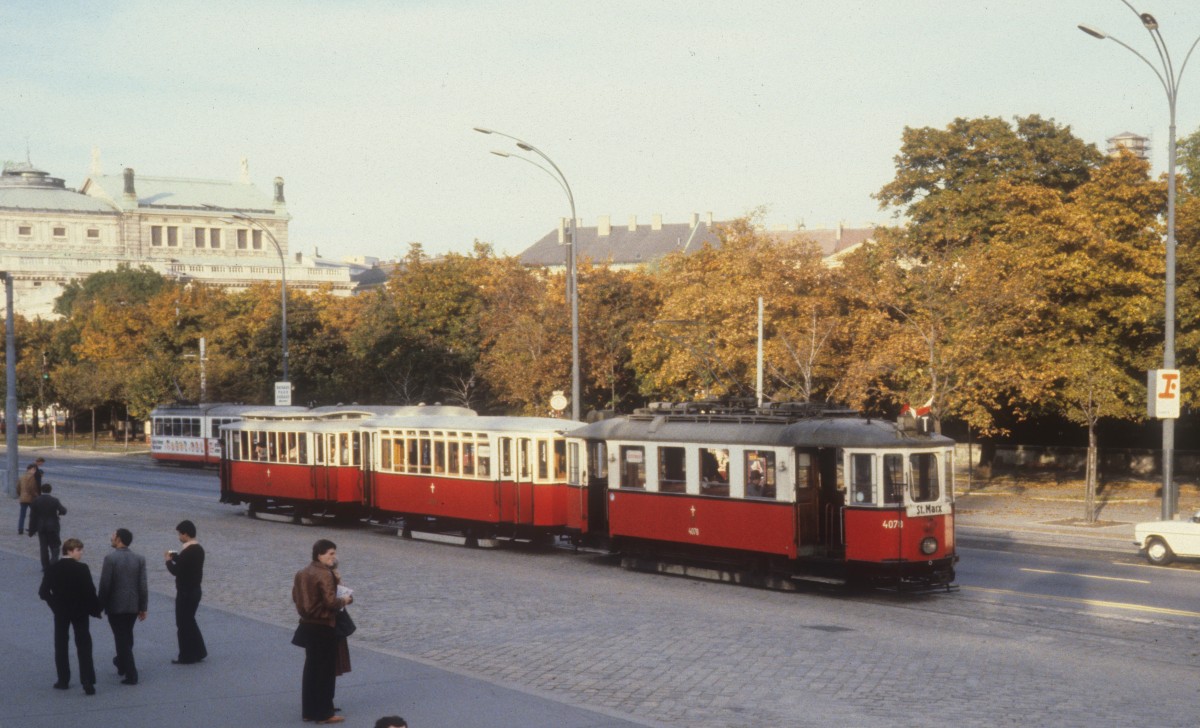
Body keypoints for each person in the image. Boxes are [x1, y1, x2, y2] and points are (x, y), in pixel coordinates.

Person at [293, 538, 353, 725]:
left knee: (311, 669)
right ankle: (324, 713)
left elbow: (295, 596)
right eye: (331, 554)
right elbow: (330, 602)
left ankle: (309, 710)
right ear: (320, 555)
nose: (334, 557)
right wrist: (345, 600)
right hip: (324, 625)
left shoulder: (302, 572)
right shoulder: (325, 574)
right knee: (325, 671)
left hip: (307, 625)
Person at [38, 538, 102, 695]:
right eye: (79, 550)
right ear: (70, 551)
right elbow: (90, 592)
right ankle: (87, 680)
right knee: (84, 645)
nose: (81, 553)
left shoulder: (52, 569)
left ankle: (63, 680)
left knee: (61, 645)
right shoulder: (82, 569)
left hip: (61, 612)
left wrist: (55, 605)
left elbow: (43, 592)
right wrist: (95, 609)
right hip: (80, 611)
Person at [98, 528, 148, 685]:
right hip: (132, 604)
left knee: (121, 638)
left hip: (115, 605)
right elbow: (143, 585)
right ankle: (121, 664)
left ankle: (131, 673)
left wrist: (99, 606)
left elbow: (105, 585)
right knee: (127, 635)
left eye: (113, 536)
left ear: (118, 539)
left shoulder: (110, 559)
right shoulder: (139, 559)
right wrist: (143, 607)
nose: (111, 538)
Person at [164, 519, 207, 664]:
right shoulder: (198, 549)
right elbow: (186, 563)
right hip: (195, 591)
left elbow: (177, 571)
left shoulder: (188, 551)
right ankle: (200, 651)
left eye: (180, 534)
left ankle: (186, 656)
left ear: (186, 534)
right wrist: (176, 557)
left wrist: (168, 561)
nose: (178, 537)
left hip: (185, 592)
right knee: (190, 621)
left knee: (182, 624)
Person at [28, 483, 67, 570]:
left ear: (41, 490)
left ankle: (45, 566)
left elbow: (32, 516)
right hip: (53, 526)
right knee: (55, 546)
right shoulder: (54, 500)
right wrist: (59, 513)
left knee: (43, 547)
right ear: (50, 490)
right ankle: (53, 563)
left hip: (41, 527)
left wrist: (31, 530)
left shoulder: (36, 500)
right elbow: (63, 510)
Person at [17, 463, 39, 534]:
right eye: (33, 470)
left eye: (35, 470)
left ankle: (20, 529)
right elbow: (31, 489)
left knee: (22, 515)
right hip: (30, 499)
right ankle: (32, 529)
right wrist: (36, 495)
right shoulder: (32, 478)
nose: (34, 471)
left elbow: (18, 487)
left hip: (23, 498)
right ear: (29, 470)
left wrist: (20, 494)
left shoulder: (22, 477)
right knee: (33, 514)